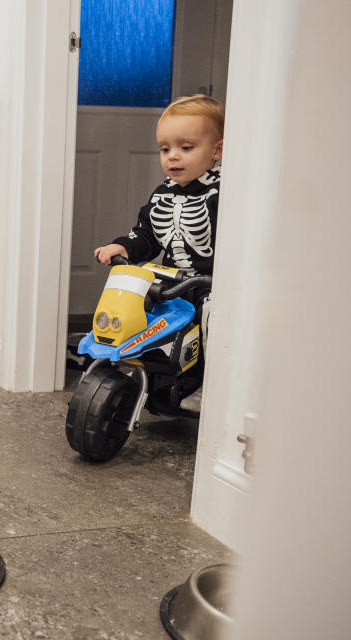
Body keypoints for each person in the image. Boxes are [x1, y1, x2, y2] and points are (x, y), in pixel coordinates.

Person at [94, 94, 224, 411]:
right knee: (136, 307)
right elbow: (146, 234)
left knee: (212, 323)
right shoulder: (162, 192)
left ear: (217, 151)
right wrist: (123, 245)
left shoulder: (222, 193)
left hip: (209, 285)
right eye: (165, 149)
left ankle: (209, 387)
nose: (172, 157)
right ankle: (147, 374)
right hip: (171, 282)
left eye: (186, 148)